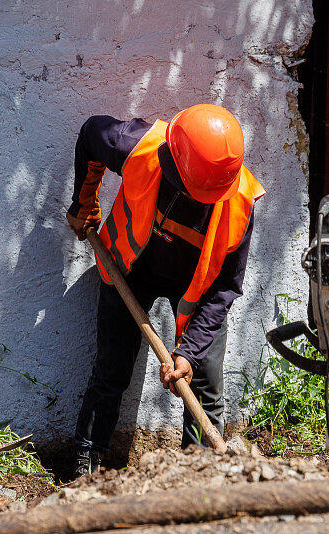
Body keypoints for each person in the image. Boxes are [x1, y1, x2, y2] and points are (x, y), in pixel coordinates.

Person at [66, 104, 265, 476]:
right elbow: (91, 132)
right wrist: (84, 202)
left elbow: (224, 289)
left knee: (204, 383)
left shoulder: (239, 203)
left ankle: (198, 475)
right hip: (127, 269)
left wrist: (187, 353)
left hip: (196, 290)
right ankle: (86, 461)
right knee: (111, 368)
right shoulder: (140, 145)